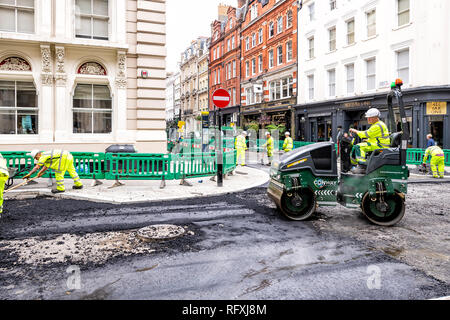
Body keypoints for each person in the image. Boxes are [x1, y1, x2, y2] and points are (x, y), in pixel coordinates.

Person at [349, 108, 391, 174]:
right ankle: (355, 165)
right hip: (379, 143)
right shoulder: (377, 124)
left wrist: (355, 131)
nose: (368, 119)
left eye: (370, 118)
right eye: (368, 118)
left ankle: (362, 167)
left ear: (376, 118)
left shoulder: (377, 125)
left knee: (358, 147)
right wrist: (367, 140)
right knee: (359, 146)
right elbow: (375, 137)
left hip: (380, 145)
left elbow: (366, 134)